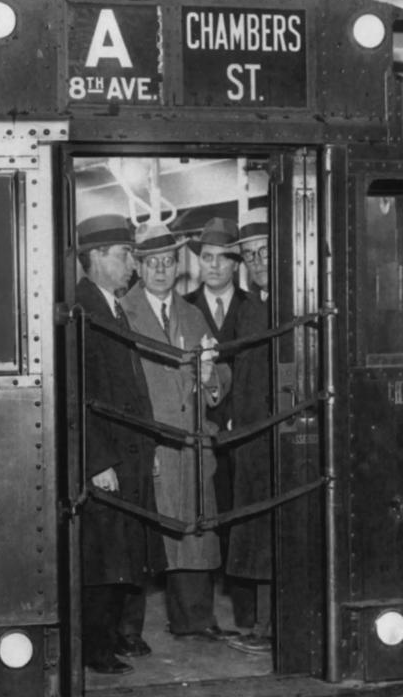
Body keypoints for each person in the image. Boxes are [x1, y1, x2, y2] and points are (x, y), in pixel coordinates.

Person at [120, 222, 236, 642]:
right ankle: (127, 631)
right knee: (139, 537)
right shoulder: (122, 312)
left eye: (168, 262)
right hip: (149, 441)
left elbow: (222, 374)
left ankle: (195, 620)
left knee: (195, 533)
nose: (161, 271)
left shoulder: (191, 312)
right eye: (152, 263)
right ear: (138, 266)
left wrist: (209, 377)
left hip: (190, 444)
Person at [76, 213, 163, 675]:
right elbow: (79, 393)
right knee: (104, 559)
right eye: (125, 253)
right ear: (96, 257)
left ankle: (105, 641)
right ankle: (94, 649)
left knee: (119, 557)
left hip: (126, 454)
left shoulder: (110, 305)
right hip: (106, 458)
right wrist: (97, 461)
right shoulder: (83, 308)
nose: (132, 262)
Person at [182, 216, 258, 632]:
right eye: (206, 258)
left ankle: (246, 615)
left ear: (235, 265)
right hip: (196, 435)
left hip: (241, 437)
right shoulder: (183, 308)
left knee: (240, 521)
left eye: (222, 259)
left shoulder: (254, 307)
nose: (213, 266)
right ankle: (199, 618)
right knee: (198, 524)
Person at [226, 204, 274, 655]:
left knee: (278, 527)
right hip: (251, 435)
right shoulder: (248, 309)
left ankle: (275, 625)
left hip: (281, 436)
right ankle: (262, 625)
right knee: (259, 530)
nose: (258, 262)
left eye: (264, 252)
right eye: (251, 256)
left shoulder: (291, 305)